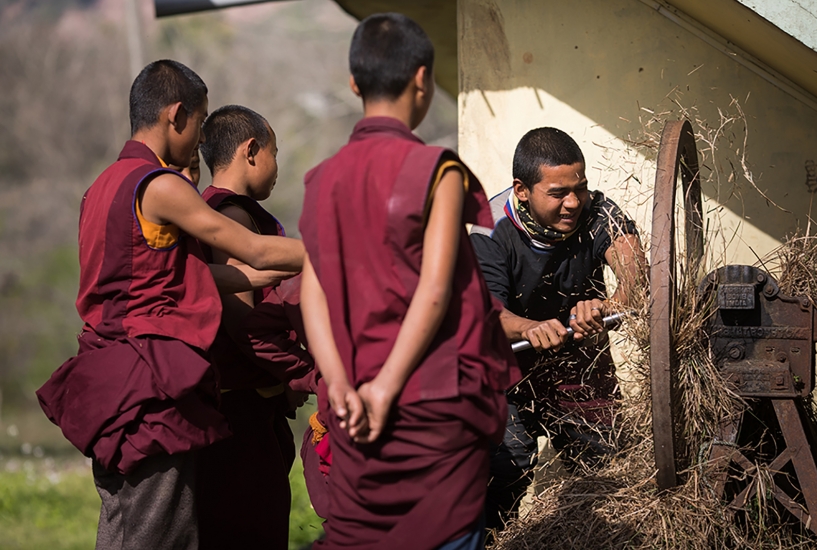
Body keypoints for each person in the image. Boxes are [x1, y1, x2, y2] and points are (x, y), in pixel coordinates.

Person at [35, 60, 305, 550]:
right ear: (177, 116)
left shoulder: (101, 187)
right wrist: (342, 252)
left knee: (124, 528)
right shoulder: (158, 185)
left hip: (108, 382)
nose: (199, 138)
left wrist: (264, 275)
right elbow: (256, 248)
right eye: (199, 123)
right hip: (151, 385)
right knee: (161, 535)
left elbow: (179, 276)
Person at [298, 13, 520, 550]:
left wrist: (346, 385)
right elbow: (436, 290)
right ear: (422, 79)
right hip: (429, 402)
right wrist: (387, 387)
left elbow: (314, 292)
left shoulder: (322, 179)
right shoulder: (436, 171)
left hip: (355, 406)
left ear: (356, 84)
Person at [469, 127, 645, 529]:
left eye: (580, 188)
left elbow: (641, 283)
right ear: (523, 189)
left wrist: (606, 307)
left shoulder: (601, 214)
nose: (573, 203)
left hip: (581, 370)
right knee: (504, 474)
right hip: (508, 376)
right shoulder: (489, 230)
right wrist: (531, 328)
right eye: (558, 193)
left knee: (610, 475)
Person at [195, 104, 316, 550]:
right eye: (275, 152)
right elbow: (241, 321)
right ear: (251, 151)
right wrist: (298, 372)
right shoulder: (230, 216)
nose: (277, 167)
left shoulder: (211, 210)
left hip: (244, 406)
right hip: (239, 411)